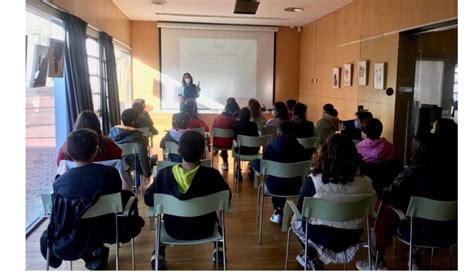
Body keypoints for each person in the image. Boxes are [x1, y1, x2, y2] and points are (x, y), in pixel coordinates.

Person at [40, 129, 144, 270]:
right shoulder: (110, 174)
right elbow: (117, 199)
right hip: (108, 230)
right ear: (95, 151)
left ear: (69, 153)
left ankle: (92, 256)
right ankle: (95, 255)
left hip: (74, 234)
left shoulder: (60, 183)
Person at [356, 134, 457, 270]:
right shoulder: (455, 175)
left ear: (417, 151)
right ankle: (413, 256)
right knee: (422, 217)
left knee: (386, 209)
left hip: (415, 232)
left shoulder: (412, 174)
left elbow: (389, 195)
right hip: (449, 233)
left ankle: (375, 259)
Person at [145, 131, 231, 270]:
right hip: (205, 229)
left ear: (179, 151)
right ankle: (219, 249)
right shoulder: (212, 175)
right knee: (216, 219)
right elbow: (227, 197)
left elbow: (148, 199)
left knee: (160, 224)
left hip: (173, 229)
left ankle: (158, 253)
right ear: (203, 152)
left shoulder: (164, 174)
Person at [292, 134, 375, 270]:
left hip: (319, 234)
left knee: (296, 218)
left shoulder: (313, 181)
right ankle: (313, 258)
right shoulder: (366, 182)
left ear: (323, 155)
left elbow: (302, 209)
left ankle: (311, 256)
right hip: (352, 234)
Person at [251, 121, 307, 224]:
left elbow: (264, 165)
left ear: (277, 134)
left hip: (273, 187)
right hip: (295, 187)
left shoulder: (271, 147)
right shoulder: (301, 149)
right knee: (284, 180)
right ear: (294, 134)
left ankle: (278, 211)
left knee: (277, 179)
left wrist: (254, 164)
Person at [57, 110, 122, 166]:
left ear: (77, 125)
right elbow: (118, 160)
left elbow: (60, 164)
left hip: (76, 179)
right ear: (97, 125)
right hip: (104, 179)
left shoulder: (67, 146)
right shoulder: (107, 144)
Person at [109, 108, 153, 178]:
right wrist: (147, 174)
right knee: (140, 160)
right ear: (133, 122)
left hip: (117, 165)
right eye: (138, 119)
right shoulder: (137, 136)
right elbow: (143, 156)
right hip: (134, 167)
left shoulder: (112, 132)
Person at [212, 101, 240, 170]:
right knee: (236, 139)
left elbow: (212, 131)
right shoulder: (233, 120)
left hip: (217, 144)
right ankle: (237, 165)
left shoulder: (216, 118)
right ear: (233, 112)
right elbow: (238, 132)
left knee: (223, 140)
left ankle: (225, 163)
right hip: (230, 144)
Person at [233, 107, 259, 180]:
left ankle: (238, 168)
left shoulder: (236, 124)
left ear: (240, 115)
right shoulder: (254, 125)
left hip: (240, 150)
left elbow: (235, 137)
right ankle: (252, 168)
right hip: (253, 151)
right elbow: (256, 137)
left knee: (236, 145)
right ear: (249, 115)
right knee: (252, 145)